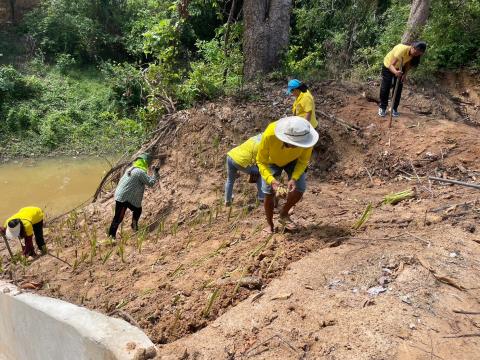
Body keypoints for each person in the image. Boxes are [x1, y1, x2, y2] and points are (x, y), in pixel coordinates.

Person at [256, 116, 319, 233]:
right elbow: (260, 161)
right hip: (271, 161)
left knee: (300, 188)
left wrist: (294, 178)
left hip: (294, 161)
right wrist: (271, 180)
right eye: (293, 144)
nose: (295, 147)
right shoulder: (270, 135)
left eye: (299, 145)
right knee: (268, 192)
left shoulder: (306, 138)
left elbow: (303, 161)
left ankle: (284, 213)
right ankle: (270, 224)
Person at [108, 153, 159, 239]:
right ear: (145, 163)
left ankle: (134, 226)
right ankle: (111, 236)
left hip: (121, 195)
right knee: (118, 217)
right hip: (124, 198)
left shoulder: (131, 168)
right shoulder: (140, 172)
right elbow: (150, 183)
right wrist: (155, 173)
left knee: (137, 209)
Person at [378, 41, 427, 118]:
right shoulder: (401, 50)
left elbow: (408, 64)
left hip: (401, 67)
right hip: (388, 66)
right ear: (412, 47)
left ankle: (394, 108)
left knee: (398, 88)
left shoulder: (416, 55)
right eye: (415, 50)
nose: (416, 53)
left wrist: (404, 74)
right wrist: (396, 72)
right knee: (386, 86)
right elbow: (391, 65)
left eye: (419, 53)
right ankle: (382, 107)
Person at [225, 134, 264, 205]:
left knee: (230, 180)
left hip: (231, 155)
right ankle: (262, 198)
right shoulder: (261, 146)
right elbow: (260, 162)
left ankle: (228, 200)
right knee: (259, 174)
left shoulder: (254, 138)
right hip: (240, 161)